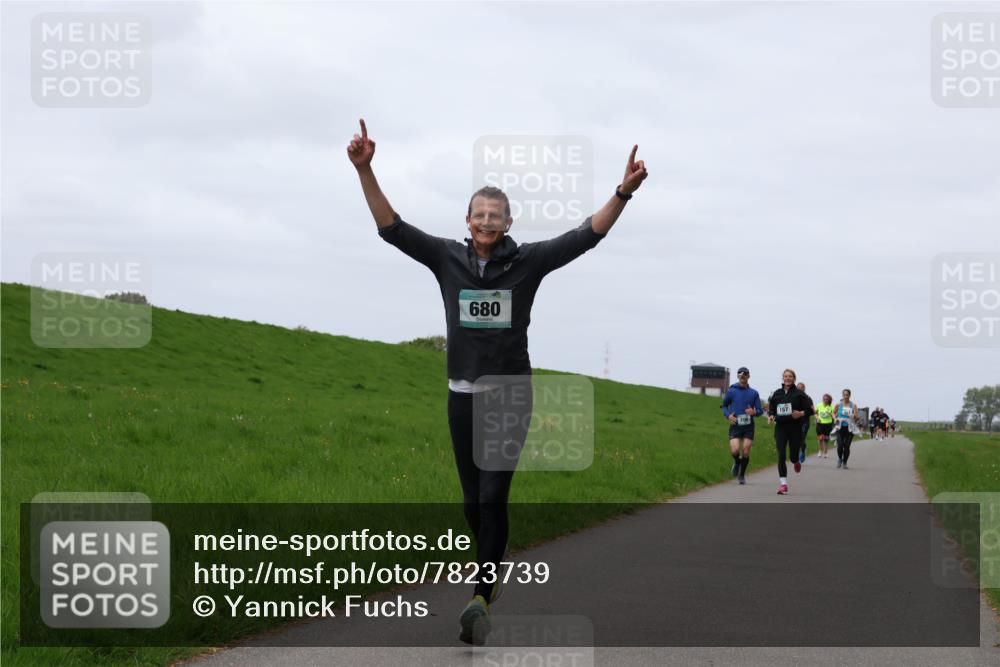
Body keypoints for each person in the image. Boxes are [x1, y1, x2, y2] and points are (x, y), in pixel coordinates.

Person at [348, 118, 648, 644]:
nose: (487, 220)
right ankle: (492, 568)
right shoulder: (446, 258)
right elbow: (391, 227)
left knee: (491, 499)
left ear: (508, 223)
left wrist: (622, 192)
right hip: (460, 397)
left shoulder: (527, 262)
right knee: (471, 503)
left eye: (496, 215)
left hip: (509, 395)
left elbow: (586, 236)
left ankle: (478, 599)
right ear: (467, 220)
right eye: (479, 214)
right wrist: (365, 169)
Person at [767, 369, 809, 495]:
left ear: (794, 378)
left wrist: (801, 413)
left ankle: (796, 461)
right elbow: (772, 408)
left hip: (795, 428)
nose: (788, 378)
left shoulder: (799, 394)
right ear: (783, 378)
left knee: (792, 456)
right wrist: (770, 415)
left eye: (790, 376)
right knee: (781, 455)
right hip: (780, 427)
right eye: (785, 376)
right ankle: (783, 484)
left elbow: (810, 410)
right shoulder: (777, 393)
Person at [721, 367, 764, 485]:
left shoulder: (754, 393)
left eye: (745, 374)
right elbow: (724, 406)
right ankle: (737, 461)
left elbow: (760, 411)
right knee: (735, 450)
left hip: (748, 426)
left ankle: (741, 475)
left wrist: (754, 412)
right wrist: (728, 415)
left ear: (749, 376)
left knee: (745, 450)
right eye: (740, 374)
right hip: (735, 425)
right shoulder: (732, 391)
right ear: (738, 376)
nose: (743, 376)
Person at [832, 389, 861, 469]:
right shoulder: (839, 404)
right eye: (844, 394)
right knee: (840, 444)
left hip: (849, 428)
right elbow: (833, 413)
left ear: (849, 396)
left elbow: (857, 416)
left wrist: (854, 416)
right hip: (840, 426)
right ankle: (839, 459)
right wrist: (835, 418)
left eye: (847, 395)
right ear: (842, 395)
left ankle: (845, 462)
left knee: (847, 446)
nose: (845, 396)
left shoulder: (853, 405)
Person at [796, 382, 815, 463]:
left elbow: (812, 411)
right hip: (794, 422)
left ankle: (803, 451)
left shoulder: (808, 398)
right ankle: (795, 455)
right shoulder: (793, 397)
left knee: (801, 439)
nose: (799, 389)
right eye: (798, 387)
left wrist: (803, 413)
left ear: (804, 389)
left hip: (804, 422)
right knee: (794, 439)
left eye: (801, 387)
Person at [814, 393, 835, 458]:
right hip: (820, 424)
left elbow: (833, 414)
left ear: (829, 400)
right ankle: (820, 451)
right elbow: (815, 413)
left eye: (826, 399)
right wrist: (817, 418)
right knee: (820, 438)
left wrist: (835, 419)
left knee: (826, 439)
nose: (825, 400)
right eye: (824, 399)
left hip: (828, 424)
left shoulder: (831, 406)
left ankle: (825, 452)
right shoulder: (819, 405)